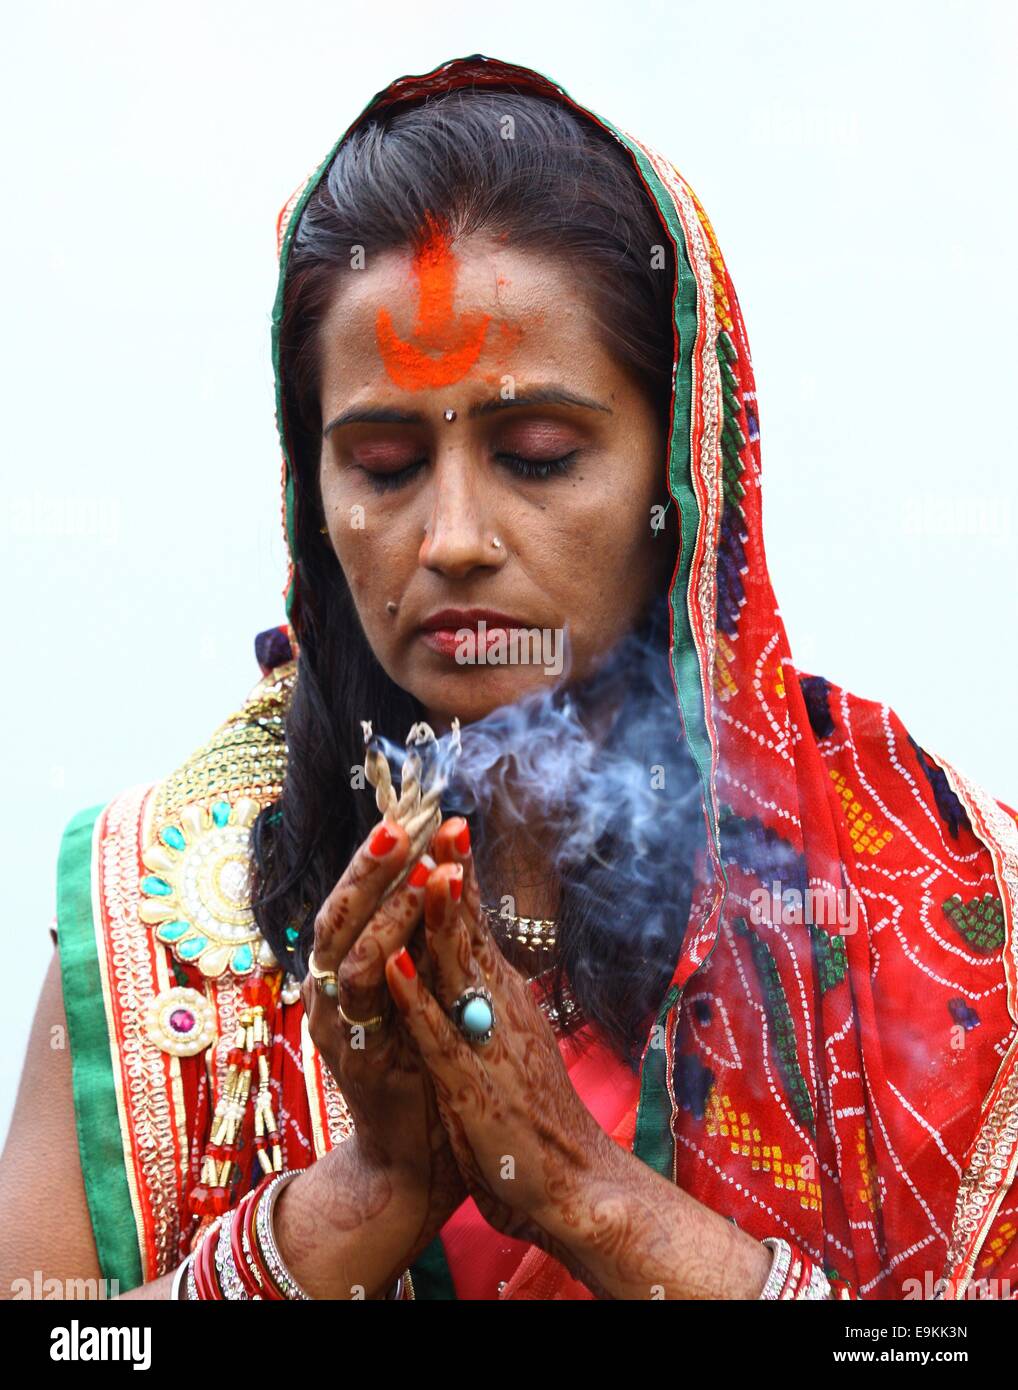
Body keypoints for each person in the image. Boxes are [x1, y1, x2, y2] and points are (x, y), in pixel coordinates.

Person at [3, 52, 1017, 1303]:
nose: (453, 537)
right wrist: (341, 1215)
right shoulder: (166, 913)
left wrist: (595, 1199)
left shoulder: (934, 897)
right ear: (310, 499)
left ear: (683, 467)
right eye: (380, 464)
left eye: (536, 454)